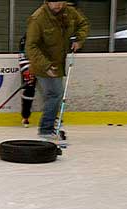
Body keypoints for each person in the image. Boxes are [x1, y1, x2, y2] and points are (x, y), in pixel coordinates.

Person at [26, 0, 89, 140]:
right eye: (54, 2)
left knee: (54, 96)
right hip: (42, 64)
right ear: (47, 2)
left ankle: (50, 124)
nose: (58, 5)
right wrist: (46, 66)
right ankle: (46, 129)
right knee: (55, 94)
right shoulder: (38, 18)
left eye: (60, 1)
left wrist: (79, 39)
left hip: (59, 63)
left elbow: (83, 24)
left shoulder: (69, 11)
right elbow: (31, 47)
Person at [18, 34, 36, 128]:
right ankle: (25, 116)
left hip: (45, 64)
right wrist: (27, 69)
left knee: (51, 90)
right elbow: (22, 56)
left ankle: (52, 116)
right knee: (29, 89)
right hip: (30, 64)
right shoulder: (26, 37)